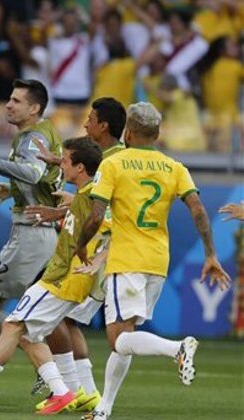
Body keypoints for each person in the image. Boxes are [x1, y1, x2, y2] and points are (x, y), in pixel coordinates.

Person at [75, 102, 231, 420]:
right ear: (158, 134)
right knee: (127, 337)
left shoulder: (115, 164)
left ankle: (177, 348)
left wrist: (80, 245)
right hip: (157, 260)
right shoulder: (174, 167)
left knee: (118, 339)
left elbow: (94, 217)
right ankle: (104, 409)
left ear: (128, 133)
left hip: (126, 258)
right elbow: (198, 209)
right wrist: (211, 254)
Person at [0, 138, 103, 415]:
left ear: (80, 167)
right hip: (61, 275)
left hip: (64, 278)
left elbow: (112, 227)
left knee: (13, 326)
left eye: (66, 160)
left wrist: (98, 260)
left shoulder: (98, 196)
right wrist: (61, 211)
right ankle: (61, 393)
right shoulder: (87, 193)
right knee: (26, 335)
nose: (61, 164)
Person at [25, 97, 127, 412]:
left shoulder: (116, 162)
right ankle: (83, 391)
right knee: (66, 320)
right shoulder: (107, 159)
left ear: (104, 125)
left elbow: (103, 212)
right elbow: (87, 204)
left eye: (91, 118)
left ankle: (69, 389)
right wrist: (60, 167)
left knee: (54, 319)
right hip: (88, 249)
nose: (86, 123)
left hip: (97, 252)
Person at [0, 79, 61, 361]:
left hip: (31, 235)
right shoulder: (41, 133)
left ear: (34, 108)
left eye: (16, 101)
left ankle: (42, 357)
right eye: (9, 98)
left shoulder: (33, 137)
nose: (8, 104)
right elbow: (42, 177)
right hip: (36, 233)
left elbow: (32, 172)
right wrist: (12, 189)